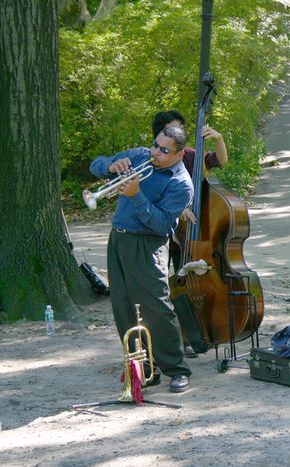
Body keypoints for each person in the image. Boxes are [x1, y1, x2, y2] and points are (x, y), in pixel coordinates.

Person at [89, 125, 194, 393]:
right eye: (156, 145)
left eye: (164, 150)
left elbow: (160, 225)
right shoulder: (138, 155)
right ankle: (143, 368)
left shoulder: (181, 183)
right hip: (119, 239)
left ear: (179, 155)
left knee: (156, 307)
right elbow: (95, 164)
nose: (156, 153)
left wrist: (136, 195)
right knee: (122, 305)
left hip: (148, 244)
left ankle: (177, 369)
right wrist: (111, 167)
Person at [151, 110, 227, 270]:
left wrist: (219, 139)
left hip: (186, 233)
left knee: (182, 273)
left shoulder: (190, 155)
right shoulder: (152, 159)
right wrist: (179, 208)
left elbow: (220, 160)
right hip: (159, 229)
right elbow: (150, 196)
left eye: (181, 130)